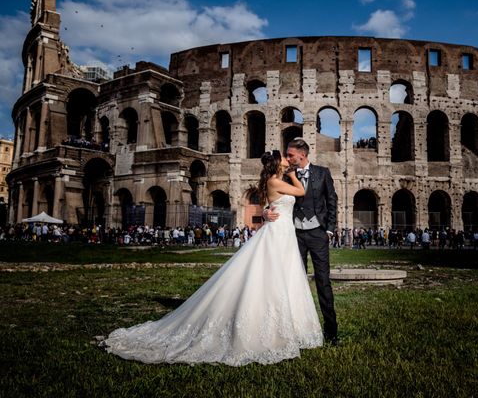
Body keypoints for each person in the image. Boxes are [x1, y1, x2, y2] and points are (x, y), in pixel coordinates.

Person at [101, 150, 323, 366]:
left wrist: (265, 211)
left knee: (285, 277)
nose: (288, 159)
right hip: (277, 234)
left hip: (284, 234)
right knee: (270, 277)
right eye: (284, 158)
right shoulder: (275, 182)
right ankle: (270, 327)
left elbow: (271, 204)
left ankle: (288, 326)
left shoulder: (273, 182)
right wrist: (293, 175)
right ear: (276, 164)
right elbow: (300, 192)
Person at [263, 137, 339, 346]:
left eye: (290, 154)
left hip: (317, 233)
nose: (287, 158)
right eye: (286, 155)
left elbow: (332, 201)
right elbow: (270, 197)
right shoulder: (284, 177)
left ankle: (331, 333)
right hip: (293, 234)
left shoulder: (323, 173)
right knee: (293, 281)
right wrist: (264, 212)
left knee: (323, 281)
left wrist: (329, 231)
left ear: (302, 155)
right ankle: (294, 330)